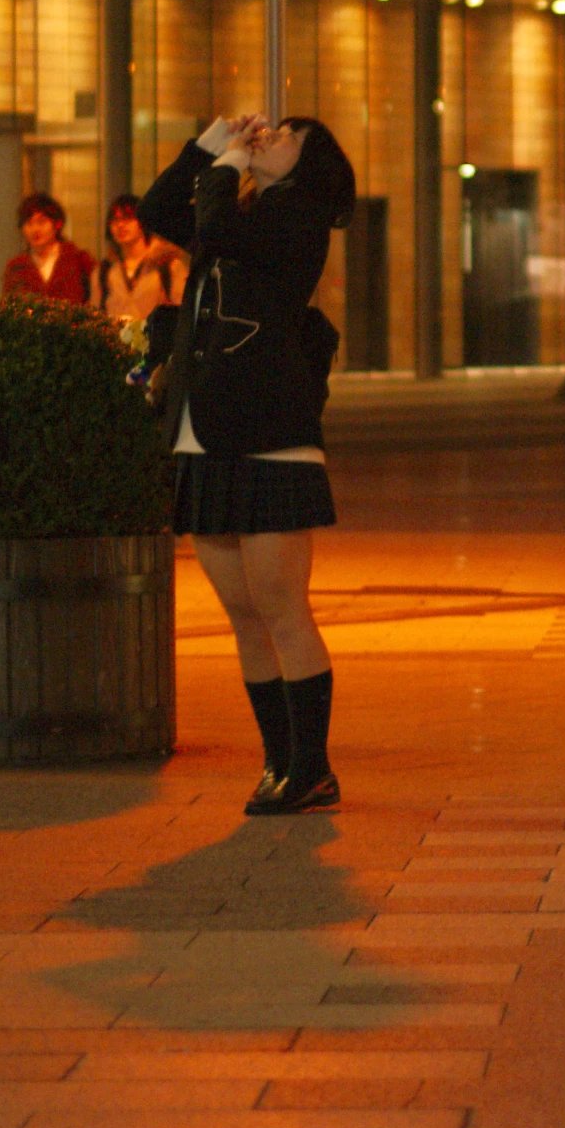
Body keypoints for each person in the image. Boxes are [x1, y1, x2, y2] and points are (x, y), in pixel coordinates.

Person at [140, 111, 353, 817]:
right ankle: (277, 762)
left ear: (307, 163)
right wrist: (207, 144)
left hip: (270, 431)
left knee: (281, 605)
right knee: (241, 612)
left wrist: (229, 165)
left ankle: (312, 768)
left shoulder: (300, 217)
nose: (269, 136)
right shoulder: (234, 202)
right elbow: (159, 210)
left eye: (286, 134)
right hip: (204, 429)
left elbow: (222, 228)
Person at [93, 193, 189, 323]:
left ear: (143, 221)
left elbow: (184, 312)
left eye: (127, 218)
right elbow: (94, 315)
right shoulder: (104, 270)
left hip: (154, 341)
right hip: (114, 342)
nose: (120, 225)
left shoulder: (167, 265)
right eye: (115, 220)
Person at [2, 192, 96, 303]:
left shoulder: (79, 261)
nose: (35, 229)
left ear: (57, 224)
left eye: (41, 222)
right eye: (29, 223)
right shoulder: (15, 268)